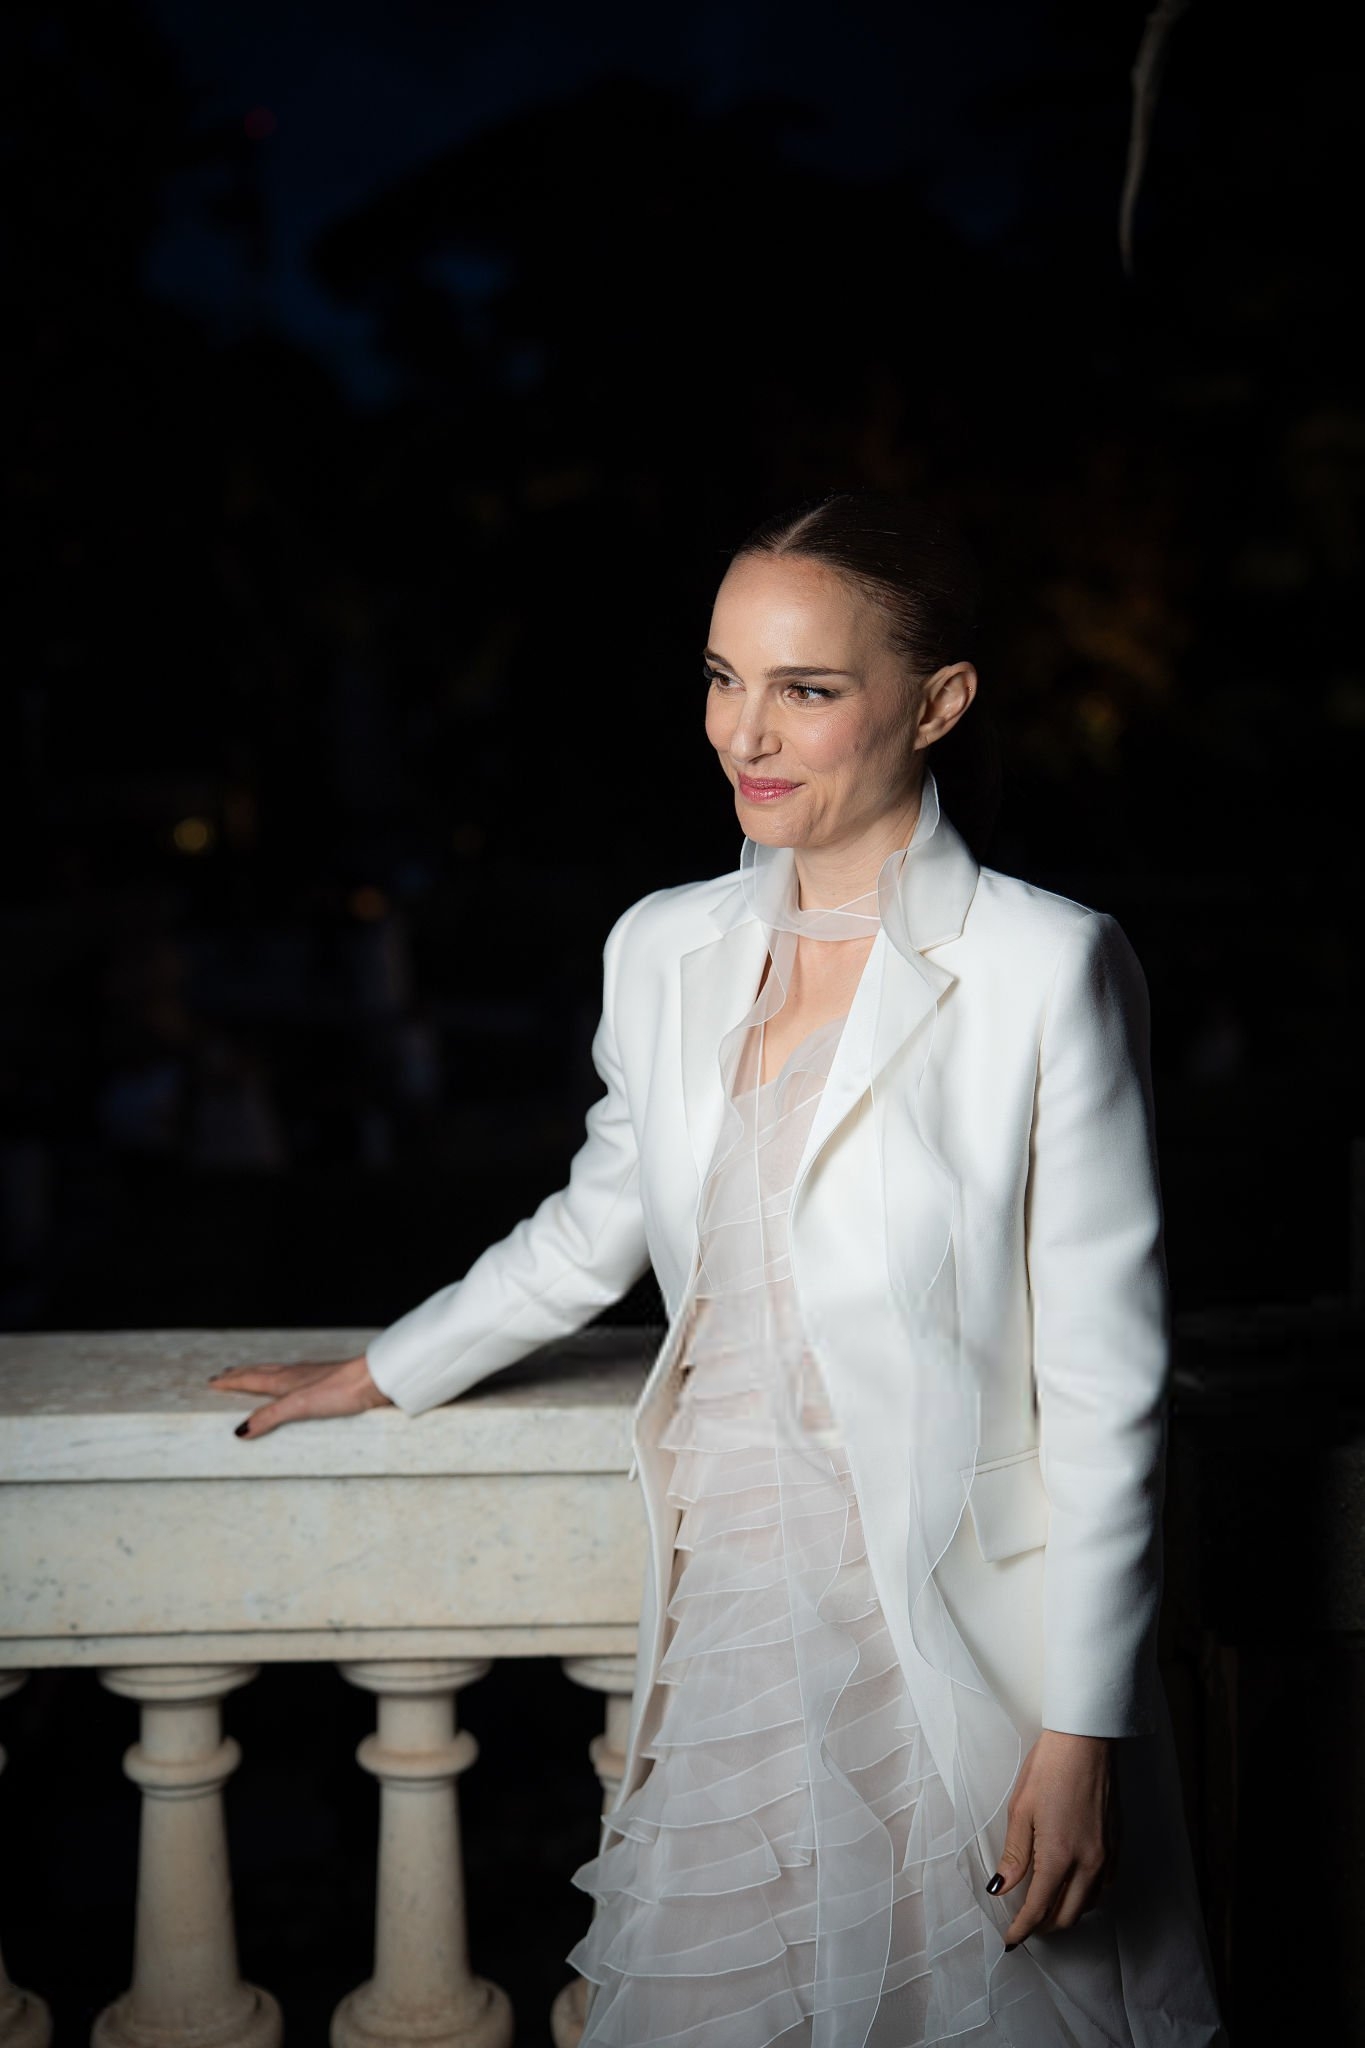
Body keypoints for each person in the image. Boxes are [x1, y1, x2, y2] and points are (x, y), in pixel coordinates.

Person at [210, 492, 1228, 2048]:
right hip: (738, 1629)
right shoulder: (662, 948)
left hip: (961, 1650)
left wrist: (1079, 1729)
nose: (744, 733)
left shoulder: (1045, 967)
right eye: (720, 677)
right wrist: (386, 1367)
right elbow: (597, 1220)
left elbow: (1104, 1383)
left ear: (937, 703)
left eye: (804, 689)